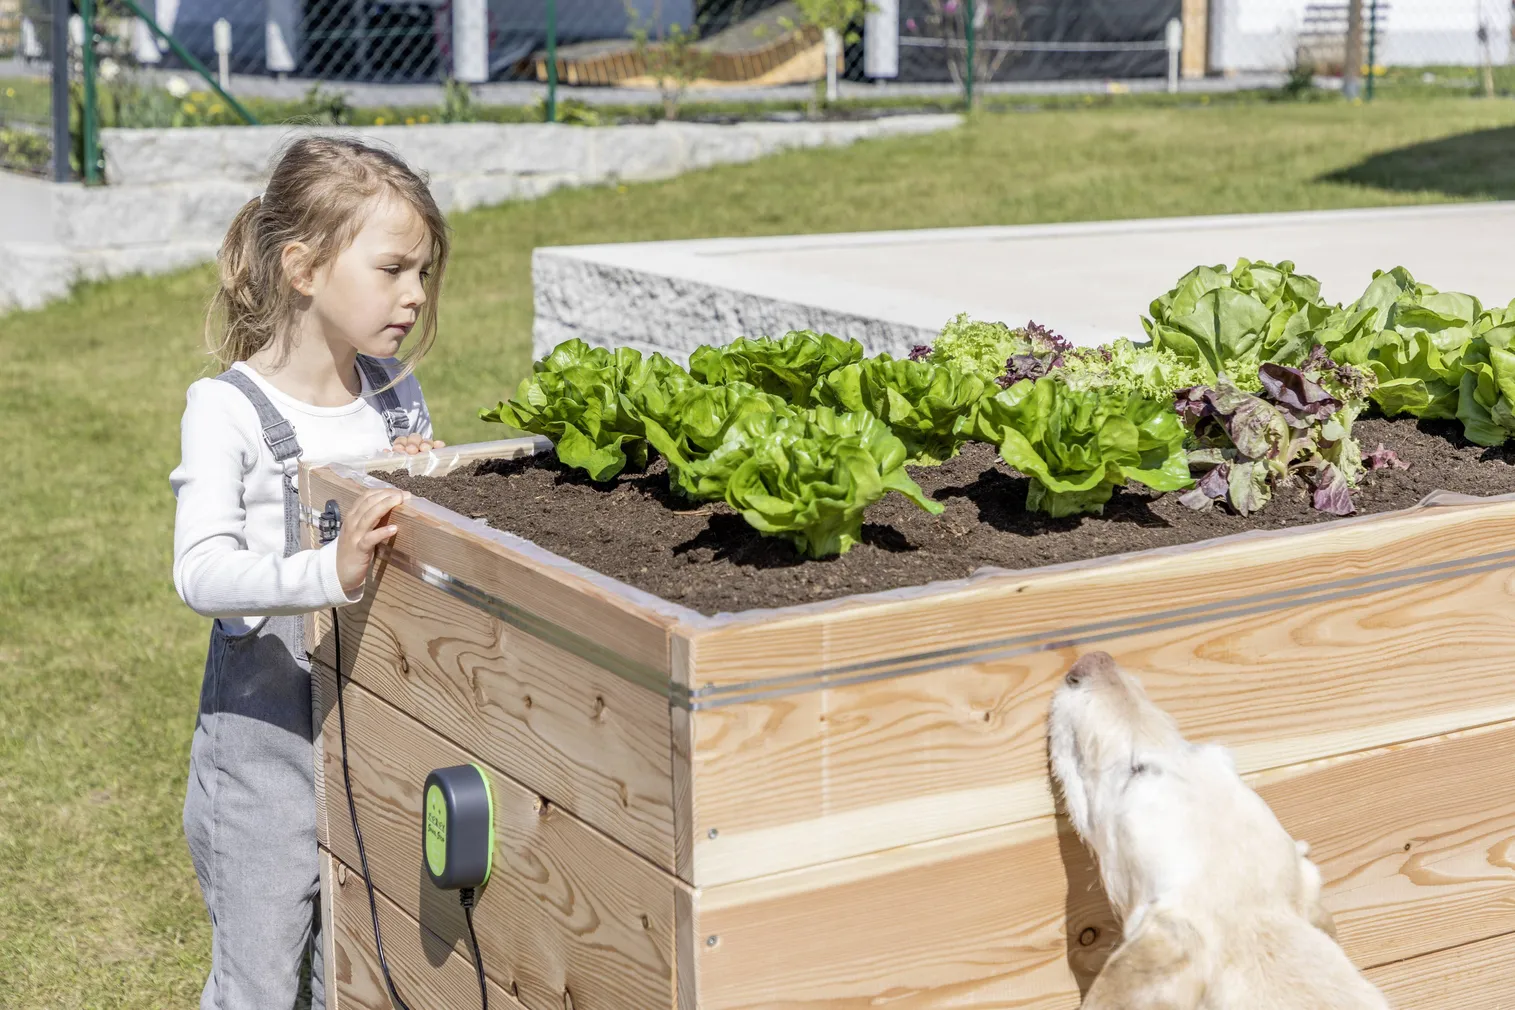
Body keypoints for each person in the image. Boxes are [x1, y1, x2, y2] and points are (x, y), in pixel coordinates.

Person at [168, 135, 450, 1010]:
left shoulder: (394, 397)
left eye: (423, 273)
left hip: (375, 718)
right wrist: (326, 568)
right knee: (258, 978)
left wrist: (429, 483)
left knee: (360, 961)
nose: (414, 294)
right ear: (303, 268)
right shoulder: (228, 409)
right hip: (267, 739)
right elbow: (200, 572)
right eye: (393, 269)